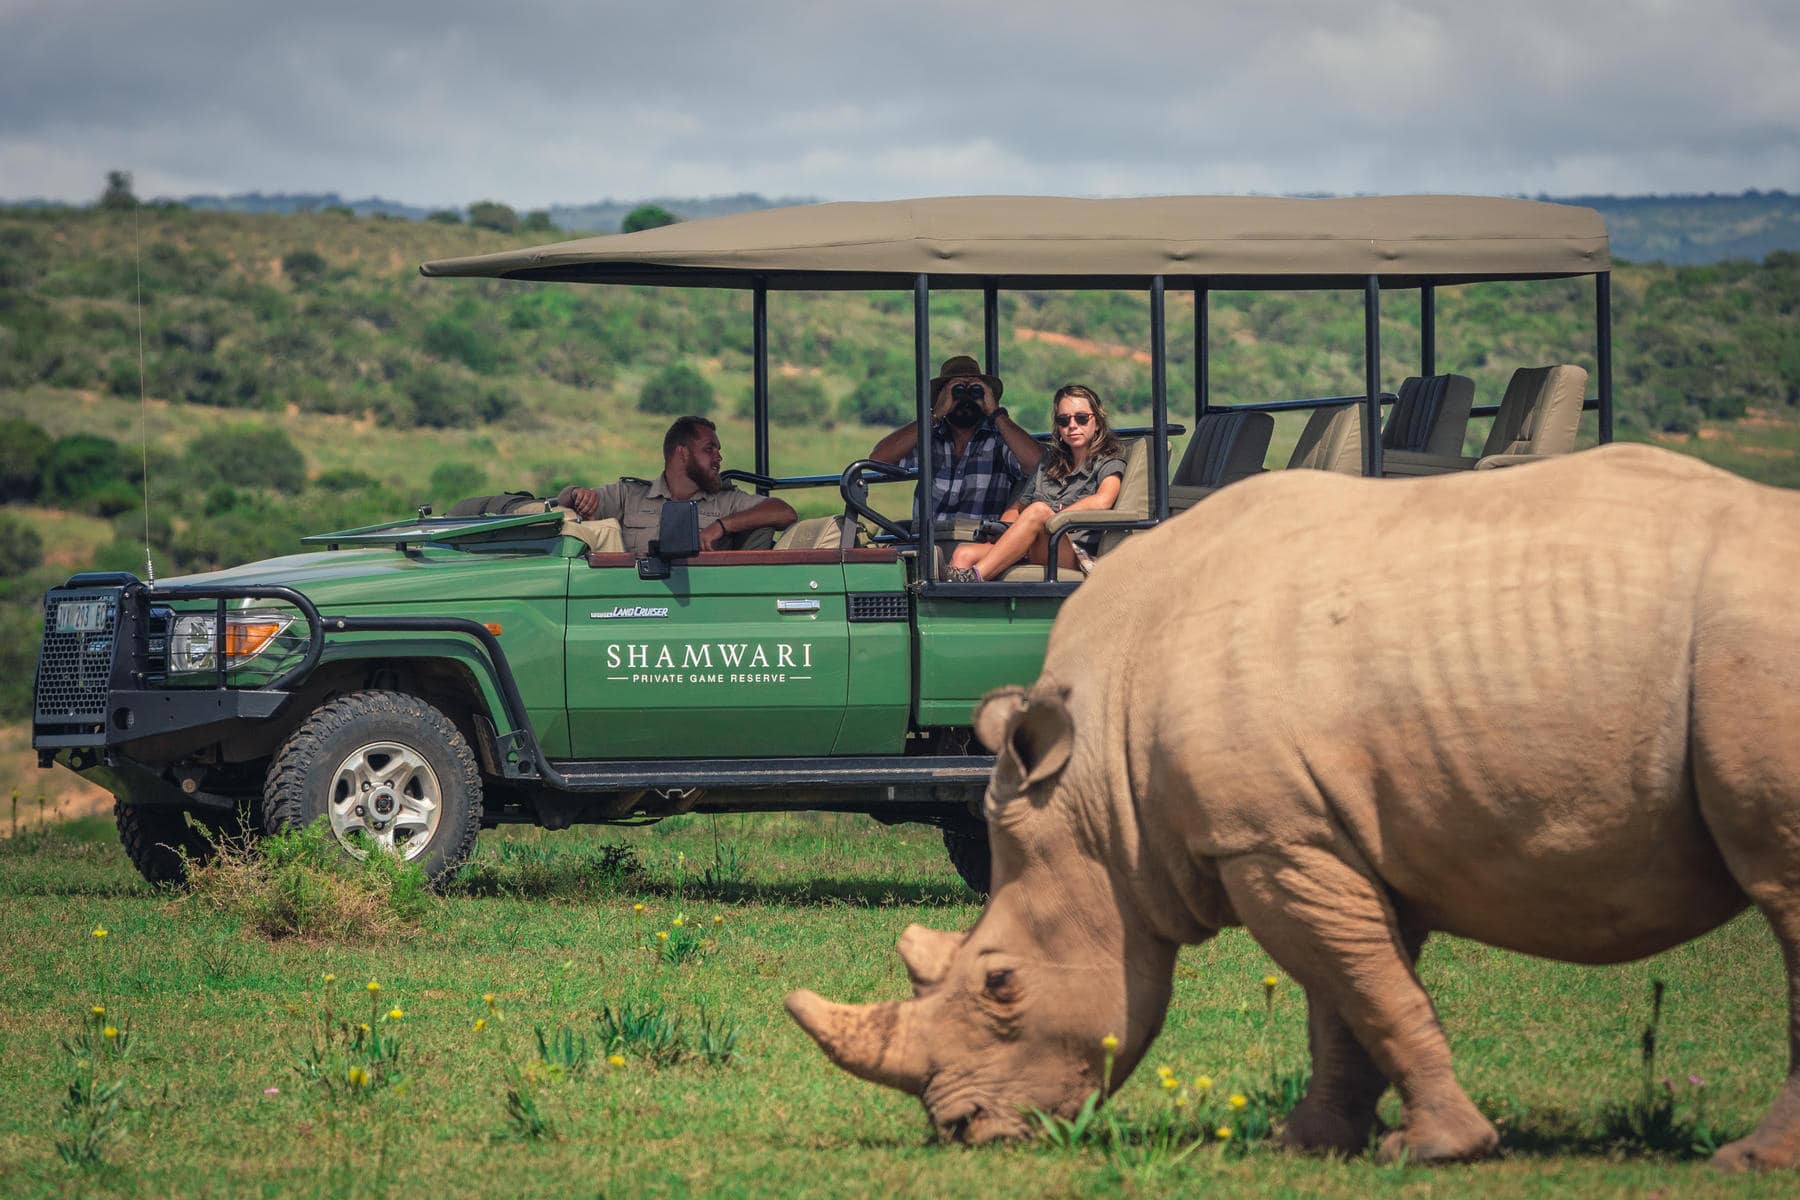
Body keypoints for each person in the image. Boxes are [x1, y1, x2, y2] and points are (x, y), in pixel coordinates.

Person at [944, 384, 1125, 582]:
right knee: (963, 553)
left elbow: (1103, 500)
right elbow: (1018, 508)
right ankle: (958, 600)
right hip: (1033, 545)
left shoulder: (1108, 461)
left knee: (1039, 511)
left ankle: (974, 578)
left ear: (1097, 422)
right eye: (1064, 420)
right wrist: (1003, 530)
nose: (1072, 425)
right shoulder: (1048, 463)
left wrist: (1055, 519)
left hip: (1072, 550)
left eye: (1081, 418)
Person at [555, 415, 797, 556]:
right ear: (682, 453)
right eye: (709, 449)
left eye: (718, 451)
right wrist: (576, 493)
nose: (718, 458)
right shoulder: (630, 495)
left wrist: (721, 526)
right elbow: (564, 501)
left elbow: (784, 512)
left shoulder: (727, 500)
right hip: (638, 603)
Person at [869, 355, 1044, 525]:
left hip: (978, 540)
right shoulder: (930, 438)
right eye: (957, 392)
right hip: (928, 539)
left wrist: (996, 413)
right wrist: (934, 416)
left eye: (975, 392)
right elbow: (878, 460)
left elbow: (1040, 465)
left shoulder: (1000, 439)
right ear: (941, 397)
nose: (966, 400)